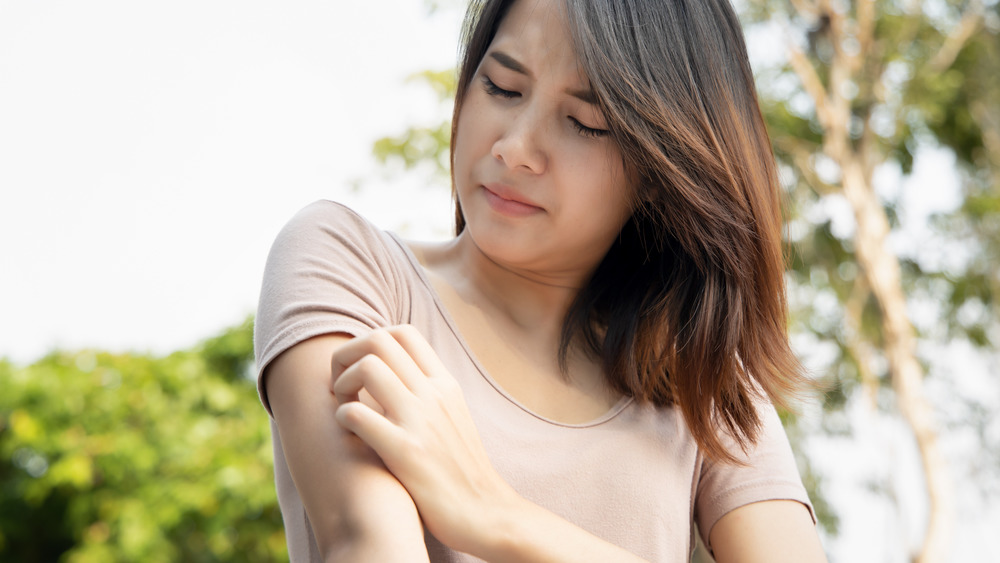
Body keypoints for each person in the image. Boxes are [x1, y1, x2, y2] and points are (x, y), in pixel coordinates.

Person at [254, 0, 828, 561]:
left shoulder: (703, 386)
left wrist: (498, 516)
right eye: (502, 87)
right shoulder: (353, 266)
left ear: (661, 171)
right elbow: (367, 544)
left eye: (585, 123)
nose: (515, 149)